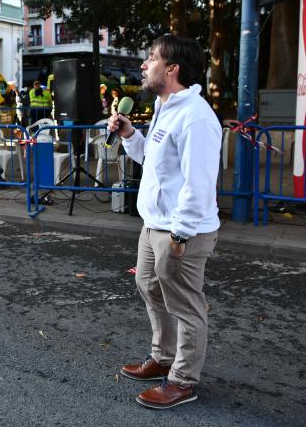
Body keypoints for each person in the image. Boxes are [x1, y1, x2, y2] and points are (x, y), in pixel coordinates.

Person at [108, 35, 221, 409]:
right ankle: (164, 357)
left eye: (151, 58)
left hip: (180, 231)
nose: (144, 64)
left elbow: (198, 182)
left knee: (185, 304)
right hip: (152, 224)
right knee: (149, 287)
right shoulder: (164, 108)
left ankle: (183, 380)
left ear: (172, 69)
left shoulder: (196, 117)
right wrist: (129, 135)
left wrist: (180, 234)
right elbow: (154, 162)